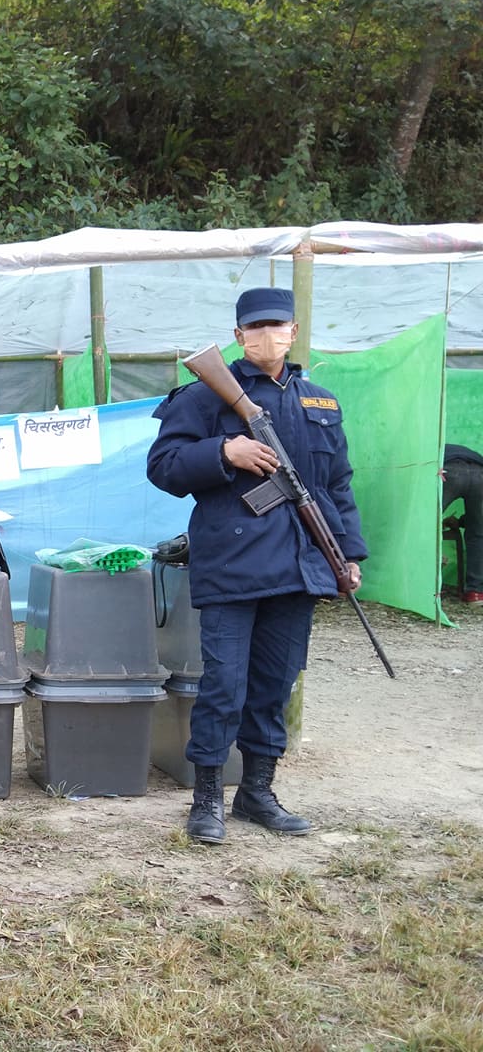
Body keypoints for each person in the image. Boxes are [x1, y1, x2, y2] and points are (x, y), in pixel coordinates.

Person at [146, 286, 367, 844]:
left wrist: (348, 556)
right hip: (233, 567)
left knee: (274, 686)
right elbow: (164, 466)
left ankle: (256, 793)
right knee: (223, 685)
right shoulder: (203, 397)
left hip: (300, 569)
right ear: (239, 335)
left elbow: (335, 486)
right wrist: (225, 452)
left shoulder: (320, 402)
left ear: (294, 333)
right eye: (256, 327)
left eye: (279, 326)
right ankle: (206, 800)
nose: (268, 336)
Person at [442, 443, 483, 604]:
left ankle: (426, 586)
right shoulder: (467, 451)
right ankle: (476, 593)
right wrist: (459, 522)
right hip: (480, 472)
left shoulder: (428, 449)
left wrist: (435, 522)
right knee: (479, 533)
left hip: (449, 470)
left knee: (425, 528)